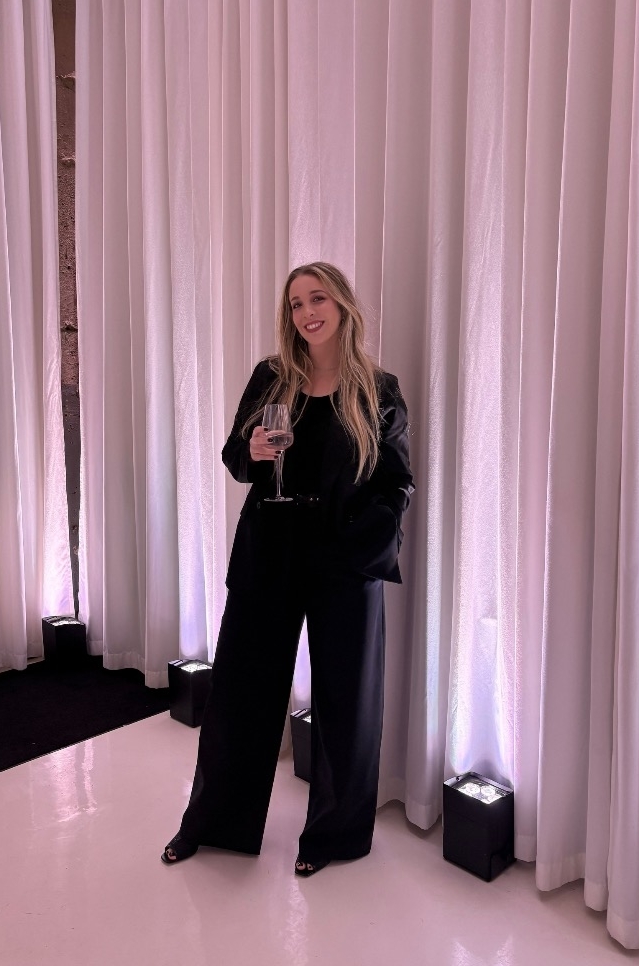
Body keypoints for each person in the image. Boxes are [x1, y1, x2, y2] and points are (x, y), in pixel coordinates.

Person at [162, 261, 414, 877]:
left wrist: (361, 545)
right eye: (296, 304)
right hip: (270, 550)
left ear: (343, 305)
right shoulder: (272, 377)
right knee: (240, 692)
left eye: (317, 298)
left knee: (345, 700)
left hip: (343, 559)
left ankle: (334, 836)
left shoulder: (379, 390)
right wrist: (250, 451)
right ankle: (213, 823)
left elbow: (396, 484)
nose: (306, 313)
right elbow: (236, 456)